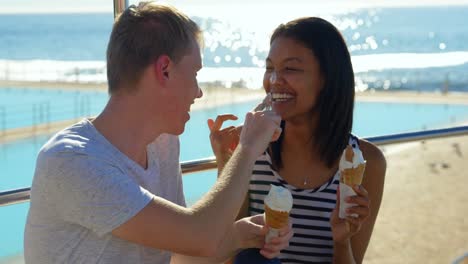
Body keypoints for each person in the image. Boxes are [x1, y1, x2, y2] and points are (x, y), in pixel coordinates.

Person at [24, 2, 291, 264]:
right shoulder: (72, 161)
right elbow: (200, 237)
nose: (199, 92)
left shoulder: (162, 144)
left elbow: (178, 254)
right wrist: (247, 149)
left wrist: (240, 237)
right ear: (164, 70)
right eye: (195, 73)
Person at [209, 17, 386, 263]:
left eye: (290, 69)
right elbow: (226, 256)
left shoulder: (368, 162)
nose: (273, 80)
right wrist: (227, 164)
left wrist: (341, 240)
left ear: (327, 77)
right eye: (270, 67)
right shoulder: (250, 150)